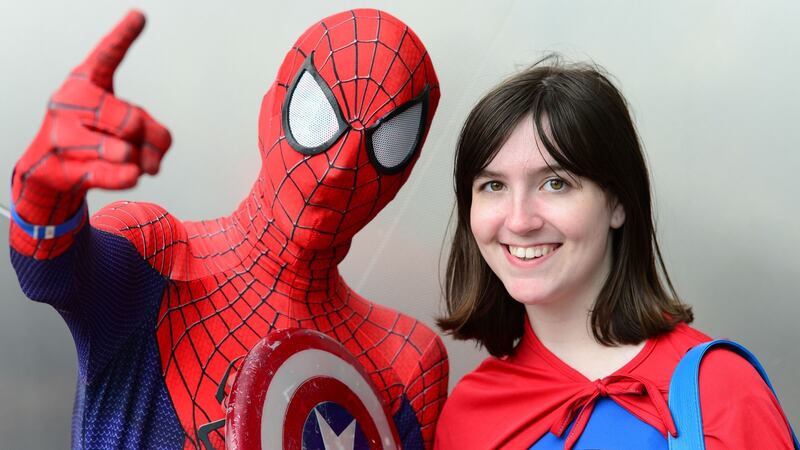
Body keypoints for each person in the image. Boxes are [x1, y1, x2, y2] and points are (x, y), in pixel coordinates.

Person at [9, 9, 447, 449]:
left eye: (388, 141)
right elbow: (52, 275)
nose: (341, 165)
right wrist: (43, 191)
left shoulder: (406, 364)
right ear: (272, 111)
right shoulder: (158, 255)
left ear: (406, 172)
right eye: (317, 117)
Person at [434, 57, 796, 449]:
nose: (520, 220)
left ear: (617, 202)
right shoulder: (466, 417)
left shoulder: (720, 389)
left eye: (555, 183)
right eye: (493, 186)